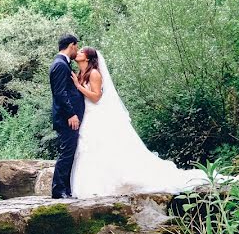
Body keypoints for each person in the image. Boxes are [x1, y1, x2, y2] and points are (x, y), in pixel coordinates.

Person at [68, 47, 211, 197]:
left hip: (97, 114)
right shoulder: (81, 73)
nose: (78, 52)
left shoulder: (95, 73)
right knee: (89, 148)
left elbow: (96, 97)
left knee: (101, 146)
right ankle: (92, 185)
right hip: (88, 115)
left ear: (88, 57)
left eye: (81, 51)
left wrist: (78, 86)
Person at [49, 34, 86, 199]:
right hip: (66, 118)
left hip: (67, 116)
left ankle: (66, 189)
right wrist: (71, 113)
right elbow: (60, 93)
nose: (77, 50)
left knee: (69, 152)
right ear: (72, 45)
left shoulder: (63, 64)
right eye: (76, 47)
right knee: (66, 152)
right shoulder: (60, 65)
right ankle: (59, 190)